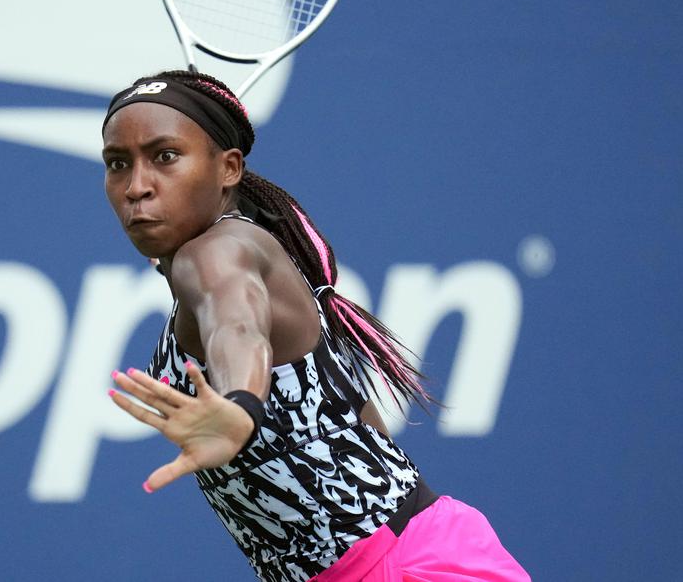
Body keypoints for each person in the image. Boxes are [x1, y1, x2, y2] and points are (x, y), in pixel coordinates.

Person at [102, 70, 529, 581]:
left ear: (229, 168)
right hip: (408, 549)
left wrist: (240, 405)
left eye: (165, 156)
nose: (137, 187)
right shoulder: (224, 255)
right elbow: (358, 422)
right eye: (118, 164)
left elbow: (234, 326)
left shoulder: (217, 254)